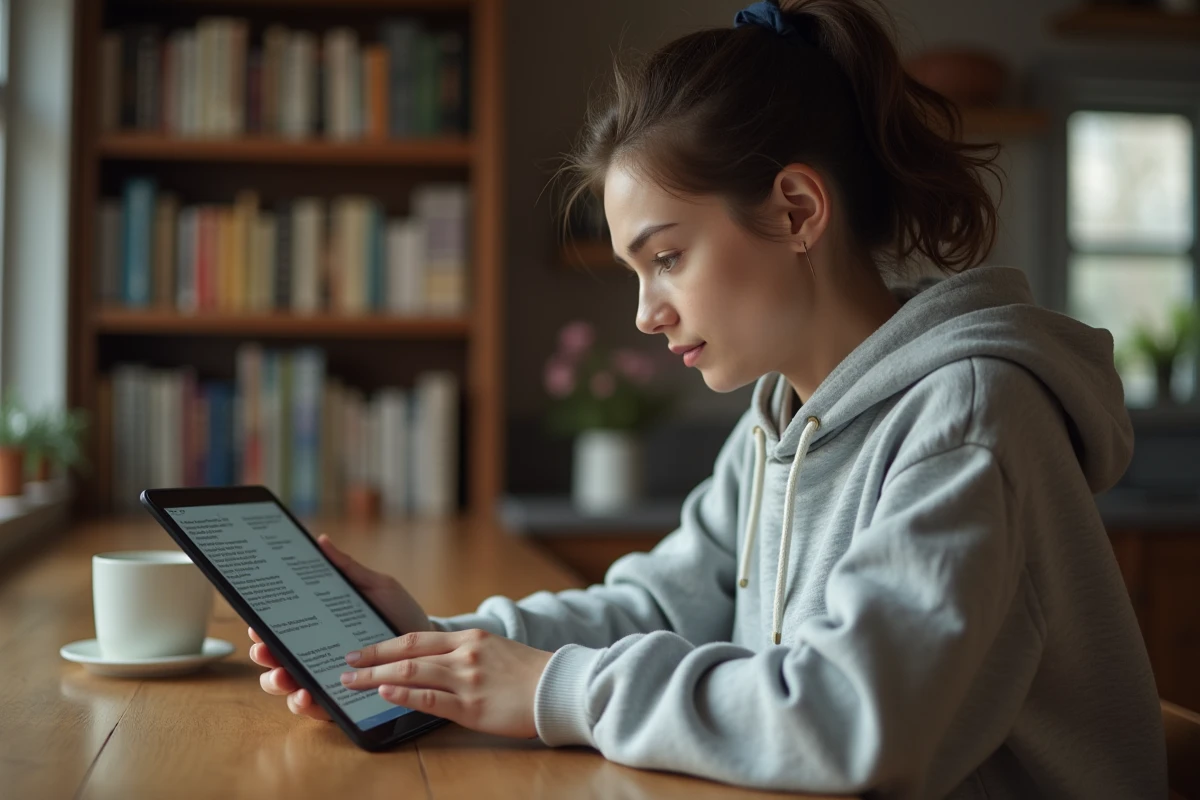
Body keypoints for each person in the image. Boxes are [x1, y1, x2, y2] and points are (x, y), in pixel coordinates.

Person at [249, 1, 1167, 796]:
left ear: (798, 210)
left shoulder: (970, 418)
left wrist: (548, 690)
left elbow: (850, 720)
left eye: (667, 257)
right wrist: (440, 646)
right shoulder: (780, 420)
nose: (646, 313)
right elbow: (662, 603)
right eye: (635, 271)